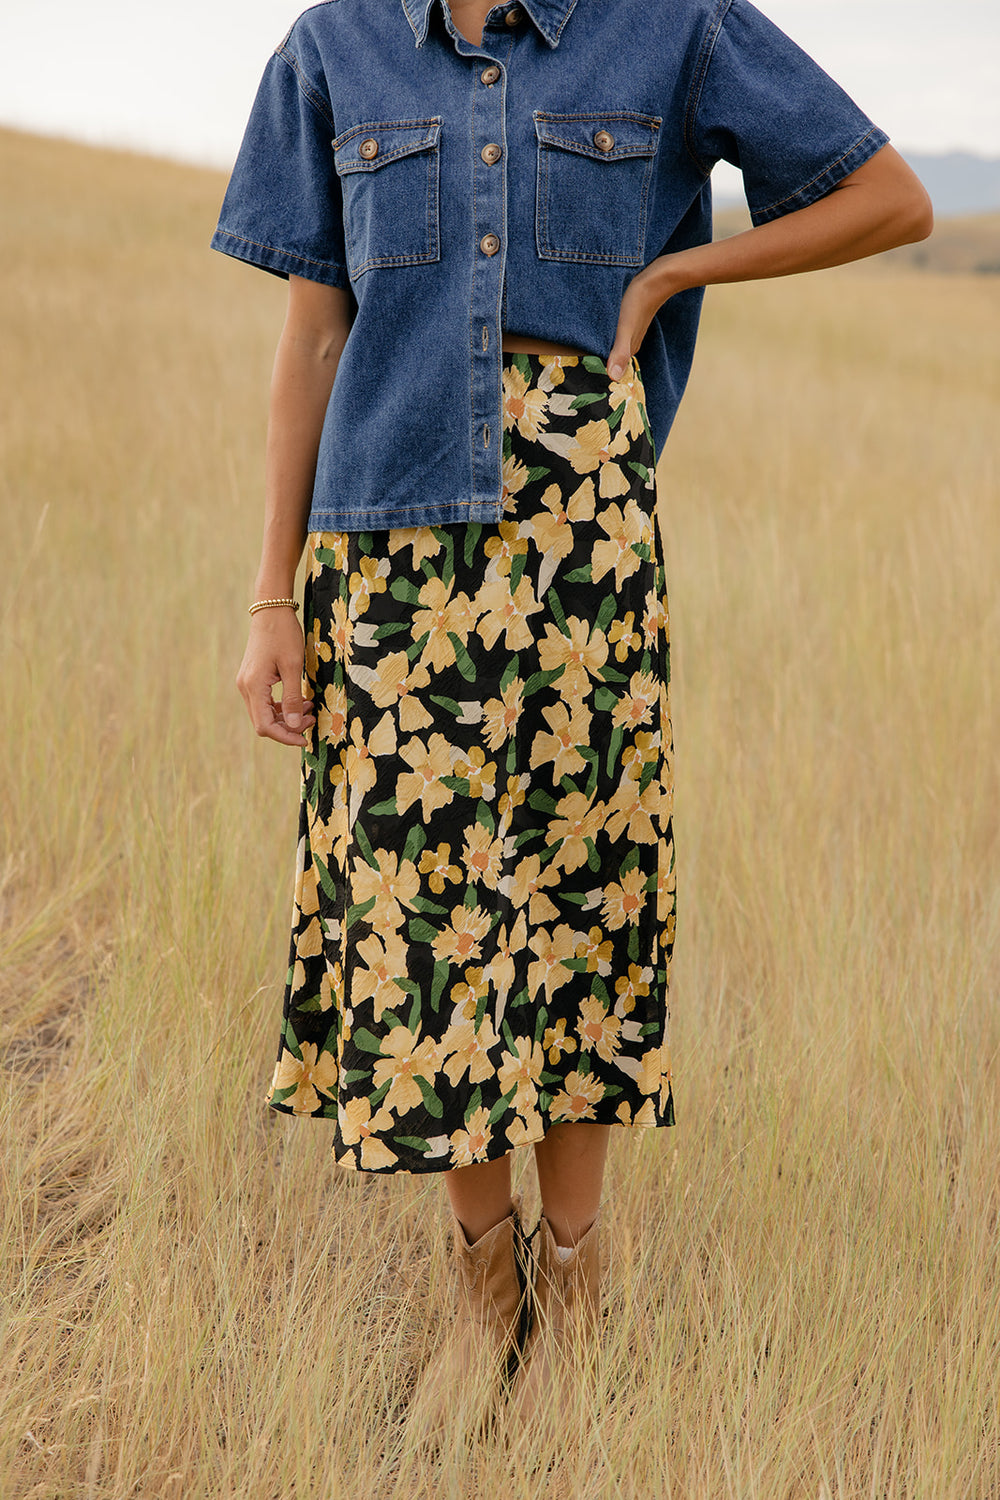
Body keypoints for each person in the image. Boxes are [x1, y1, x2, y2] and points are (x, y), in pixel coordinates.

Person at [211, 0, 932, 1452]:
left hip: (580, 555)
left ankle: (578, 1288)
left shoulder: (671, 28)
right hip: (389, 555)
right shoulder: (333, 48)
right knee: (424, 935)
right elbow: (311, 337)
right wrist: (269, 597)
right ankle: (483, 1304)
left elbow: (890, 197)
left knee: (575, 909)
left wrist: (675, 272)